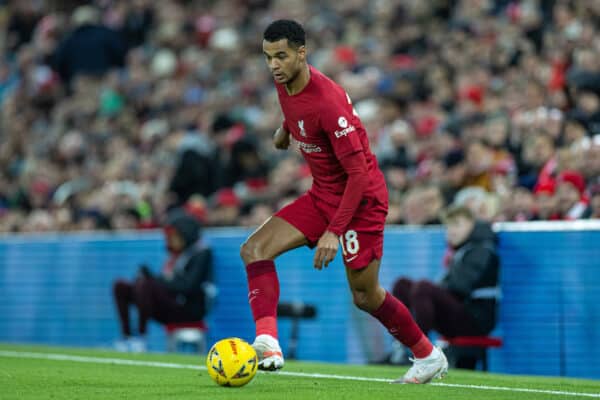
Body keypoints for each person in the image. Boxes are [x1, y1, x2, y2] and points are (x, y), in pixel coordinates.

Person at [240, 20, 447, 384]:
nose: (273, 64)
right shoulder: (284, 81)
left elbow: (360, 176)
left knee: (365, 296)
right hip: (323, 194)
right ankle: (268, 342)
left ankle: (428, 356)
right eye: (268, 56)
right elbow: (296, 112)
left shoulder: (329, 102)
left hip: (361, 201)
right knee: (254, 249)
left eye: (281, 56)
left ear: (302, 54)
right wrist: (284, 131)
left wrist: (334, 232)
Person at [391, 205, 500, 364]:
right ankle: (401, 347)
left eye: (457, 224)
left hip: (475, 320)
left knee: (423, 288)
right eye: (448, 225)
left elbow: (462, 287)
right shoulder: (462, 249)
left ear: (471, 224)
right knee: (402, 285)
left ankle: (420, 351)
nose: (451, 230)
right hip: (461, 313)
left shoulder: (483, 250)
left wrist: (436, 290)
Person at [112, 208, 214, 352]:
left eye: (174, 236)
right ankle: (127, 337)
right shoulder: (175, 255)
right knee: (121, 286)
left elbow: (188, 286)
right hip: (171, 304)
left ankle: (141, 338)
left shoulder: (202, 253)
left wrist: (153, 279)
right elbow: (167, 281)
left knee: (146, 284)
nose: (170, 240)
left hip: (189, 308)